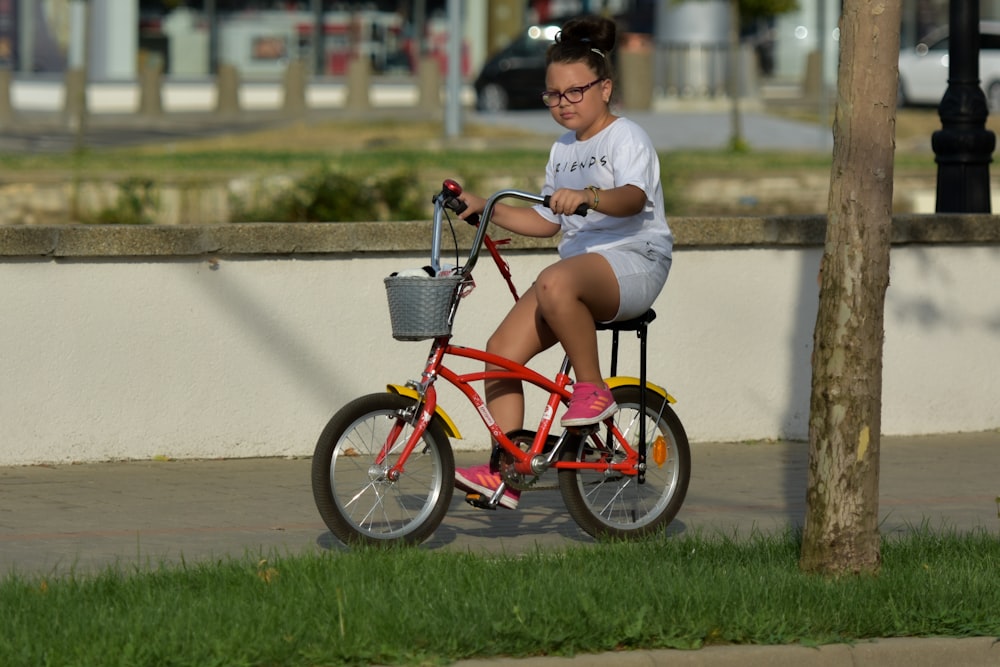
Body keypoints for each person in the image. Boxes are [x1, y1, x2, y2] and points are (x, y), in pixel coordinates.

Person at [453, 15, 673, 510]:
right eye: (554, 95)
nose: (564, 103)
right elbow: (546, 220)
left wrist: (590, 197)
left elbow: (634, 199)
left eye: (576, 92)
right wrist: (483, 208)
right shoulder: (562, 149)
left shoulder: (625, 136)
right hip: (578, 273)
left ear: (605, 88)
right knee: (499, 352)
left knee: (553, 281)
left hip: (634, 260)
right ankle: (505, 472)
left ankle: (592, 389)